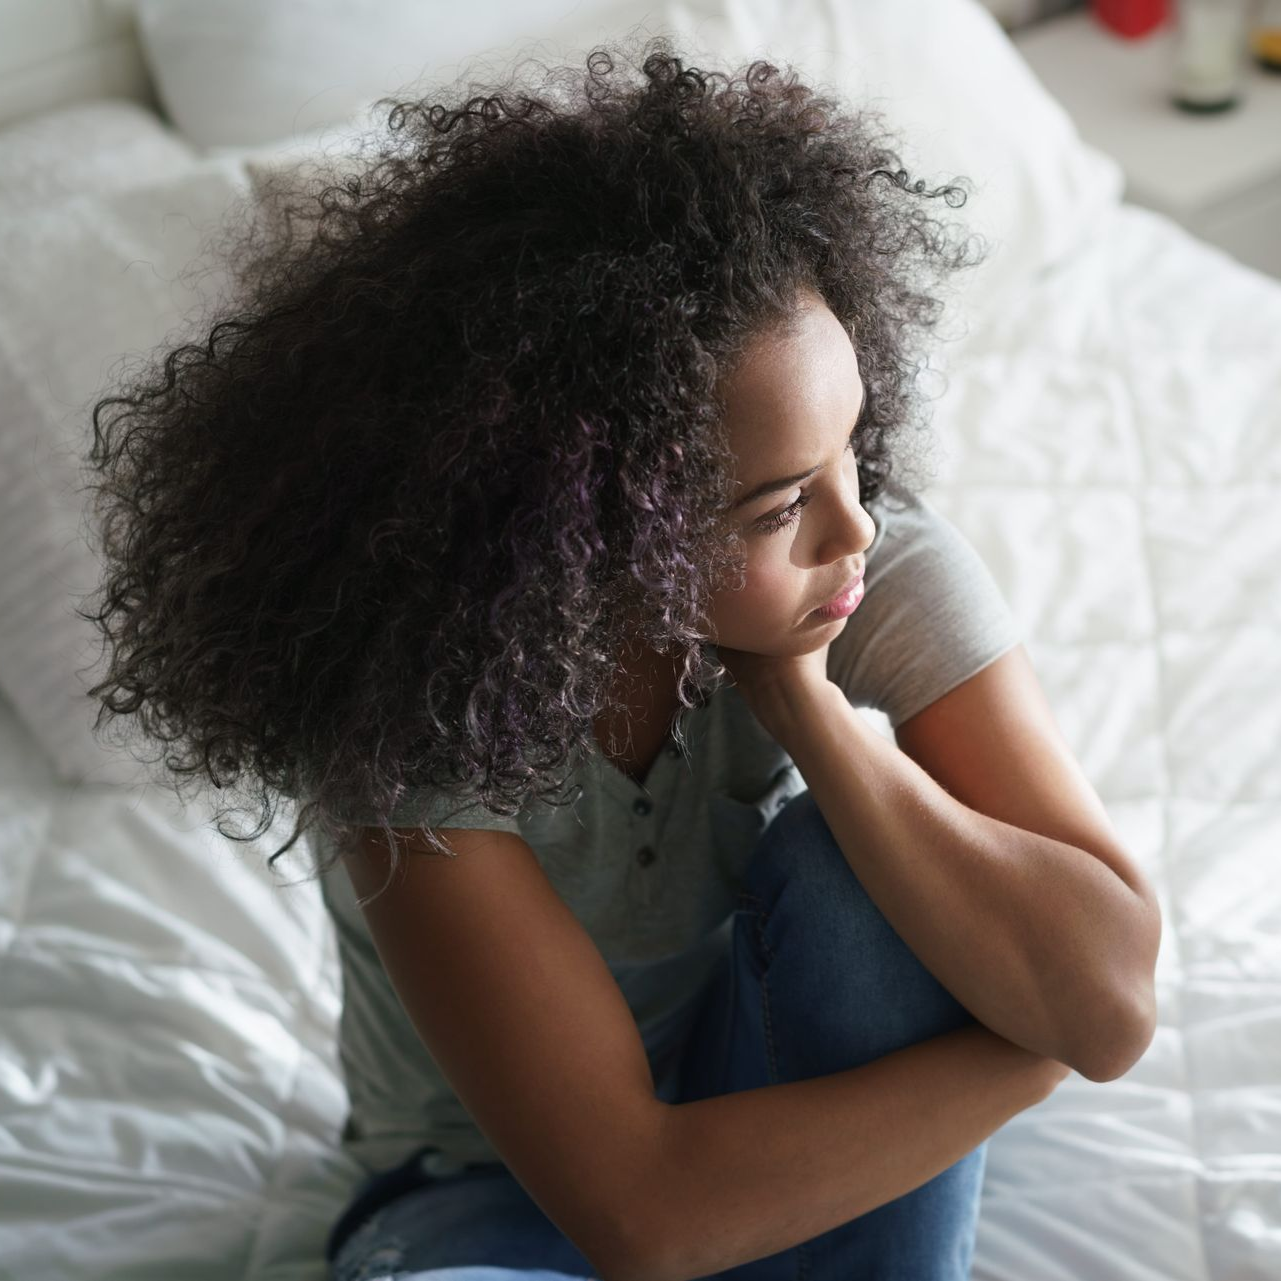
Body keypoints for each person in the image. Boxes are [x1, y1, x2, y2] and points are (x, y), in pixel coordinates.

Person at [78, 35, 1076, 1281]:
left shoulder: (850, 568)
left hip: (755, 1092)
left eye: (853, 451)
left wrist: (804, 706)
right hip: (480, 1190)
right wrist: (1027, 1054)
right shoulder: (408, 726)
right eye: (776, 506)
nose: (855, 523)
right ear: (596, 532)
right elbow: (643, 1216)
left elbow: (1114, 990)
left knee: (858, 865)